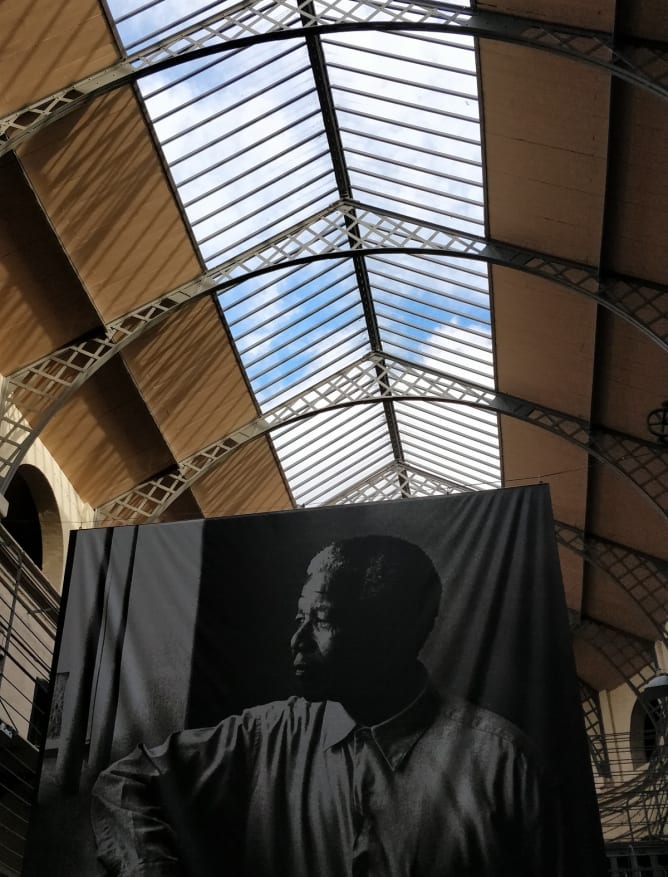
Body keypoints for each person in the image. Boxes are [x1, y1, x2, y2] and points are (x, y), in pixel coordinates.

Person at [91, 535, 561, 876]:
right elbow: (124, 782)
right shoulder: (266, 735)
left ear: (393, 631)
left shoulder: (504, 763)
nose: (297, 640)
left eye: (323, 620)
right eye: (301, 617)